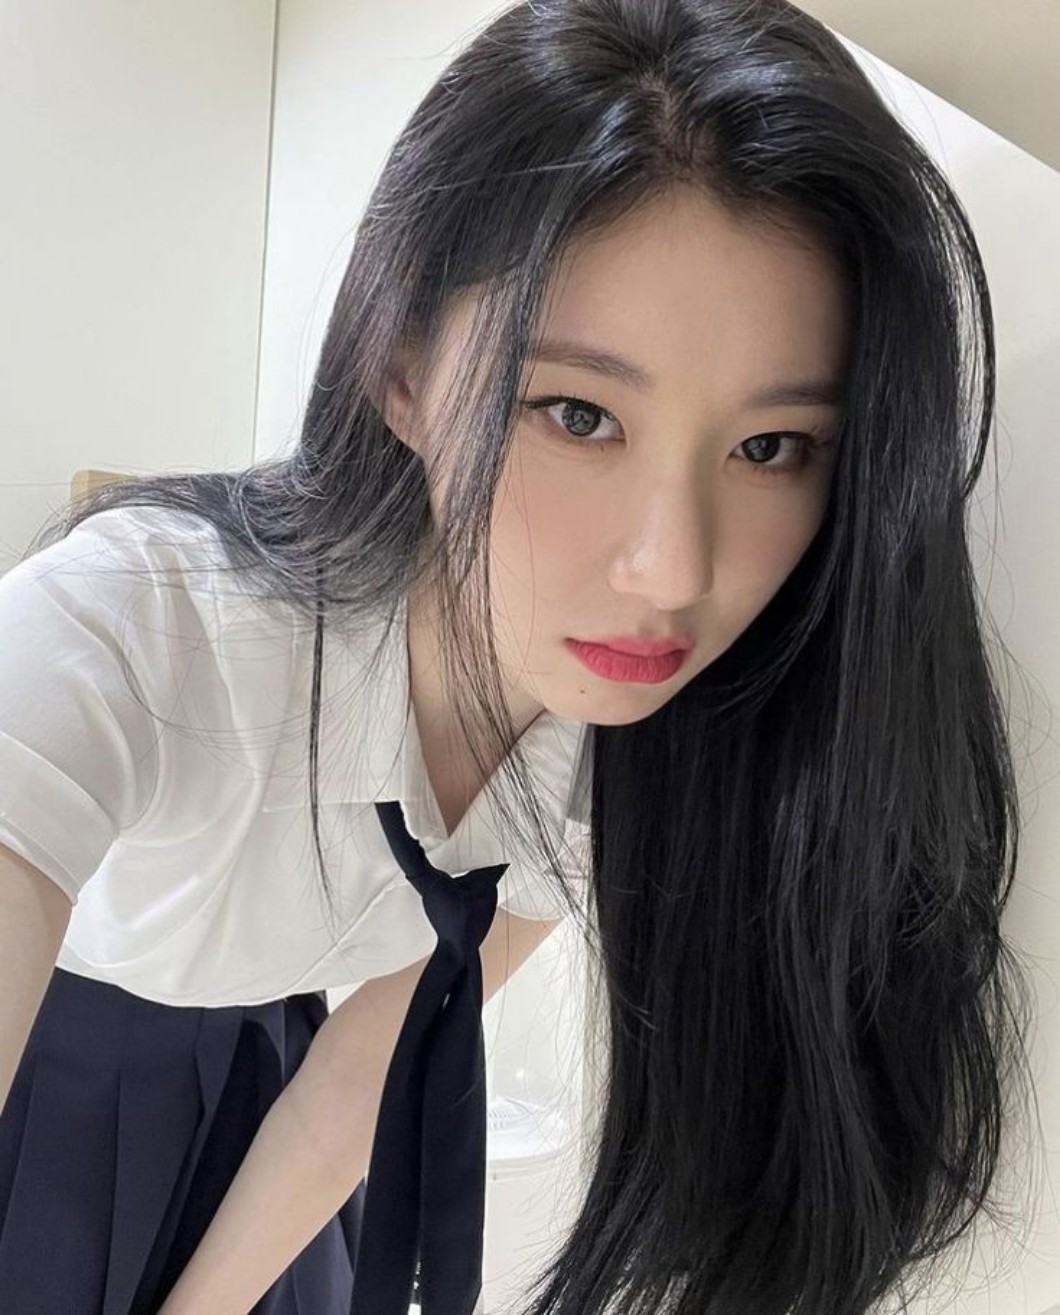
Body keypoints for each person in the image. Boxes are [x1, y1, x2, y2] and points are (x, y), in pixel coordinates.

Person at [0, 0, 1039, 1311]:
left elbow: (362, 1075)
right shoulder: (137, 622)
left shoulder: (618, 746)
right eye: (578, 414)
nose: (672, 571)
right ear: (402, 370)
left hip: (277, 1080)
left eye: (771, 447)